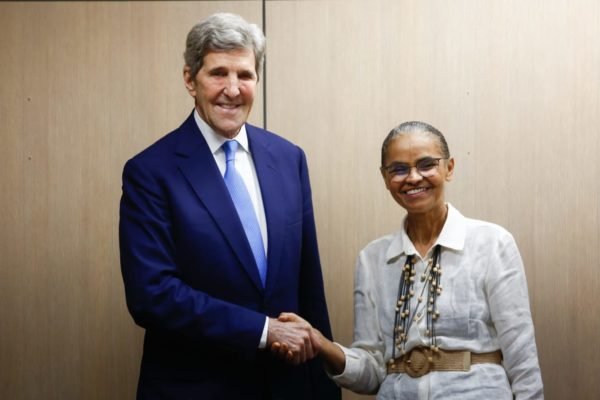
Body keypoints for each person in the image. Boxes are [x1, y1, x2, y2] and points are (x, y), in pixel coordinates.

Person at [119, 12, 340, 400]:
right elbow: (151, 295)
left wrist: (322, 387)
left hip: (288, 388)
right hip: (195, 387)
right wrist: (264, 330)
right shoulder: (151, 171)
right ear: (190, 80)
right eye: (218, 73)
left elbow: (309, 287)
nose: (233, 89)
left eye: (245, 75)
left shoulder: (289, 158)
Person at [278, 121, 544, 399]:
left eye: (426, 164)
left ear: (449, 168)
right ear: (385, 177)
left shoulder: (492, 243)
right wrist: (322, 345)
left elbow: (521, 354)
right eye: (399, 169)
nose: (414, 177)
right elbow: (372, 373)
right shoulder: (372, 259)